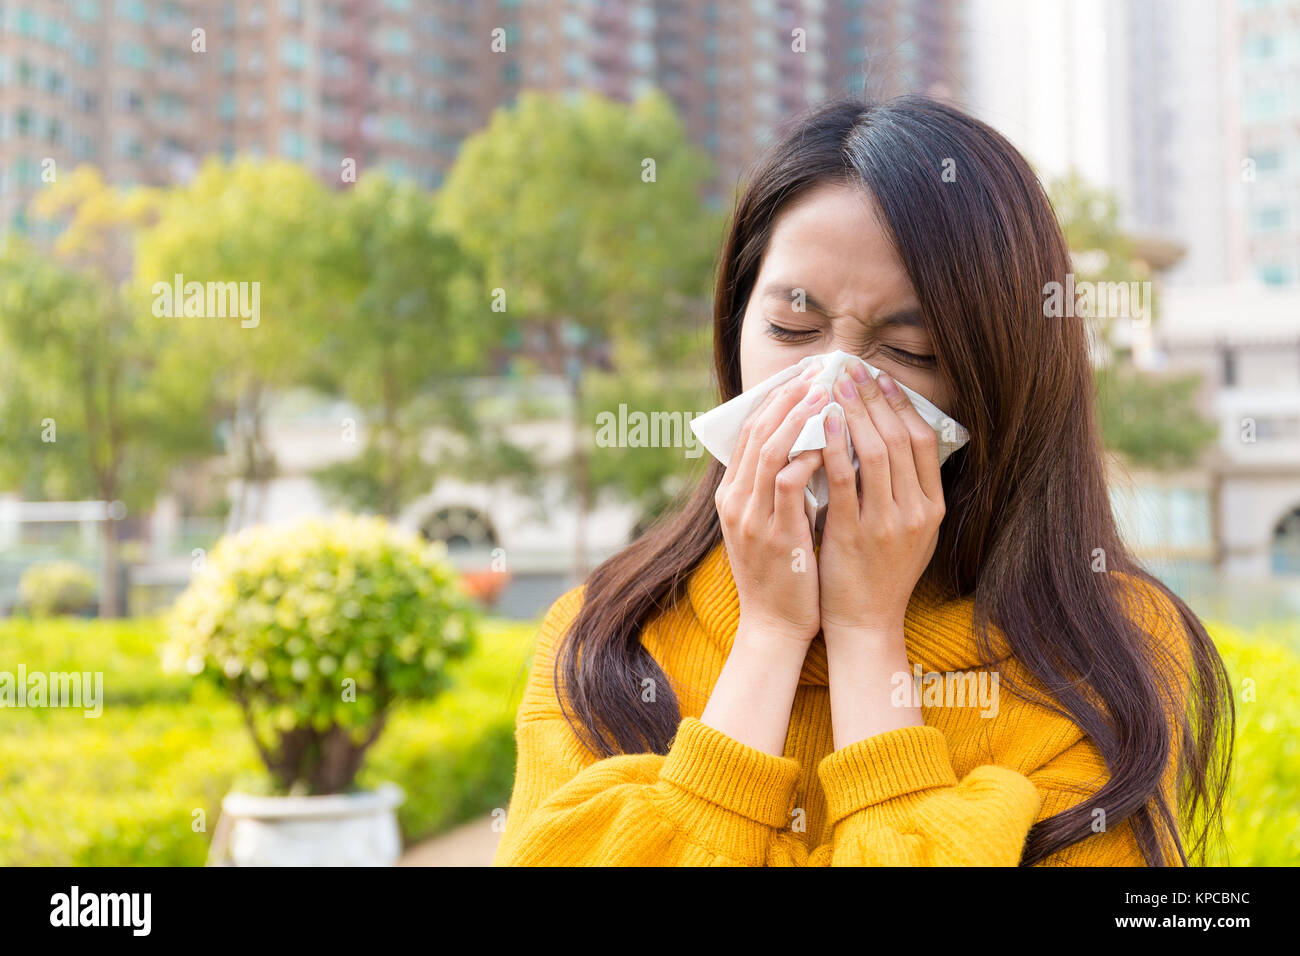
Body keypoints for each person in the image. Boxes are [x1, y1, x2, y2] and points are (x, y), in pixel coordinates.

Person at [492, 95, 1235, 866]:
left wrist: (866, 635)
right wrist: (771, 636)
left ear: (1001, 379)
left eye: (908, 352)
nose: (831, 387)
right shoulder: (606, 638)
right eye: (792, 329)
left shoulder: (1101, 652)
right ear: (734, 324)